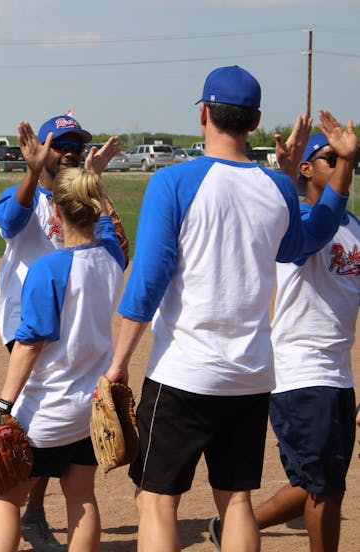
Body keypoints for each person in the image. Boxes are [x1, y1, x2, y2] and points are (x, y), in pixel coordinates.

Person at [102, 65, 353, 552]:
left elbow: (149, 279)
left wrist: (118, 364)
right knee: (235, 500)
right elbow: (310, 239)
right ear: (255, 121)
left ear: (203, 114)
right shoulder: (279, 187)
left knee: (155, 501)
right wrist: (342, 174)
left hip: (184, 372)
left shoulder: (173, 181)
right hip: (252, 375)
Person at [0, 114, 121, 551]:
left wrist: (1, 407)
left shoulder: (52, 266)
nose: (70, 151)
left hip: (46, 361)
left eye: (77, 145)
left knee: (10, 483)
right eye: (61, 144)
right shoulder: (105, 252)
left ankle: (22, 507)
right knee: (81, 490)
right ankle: (33, 511)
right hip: (42, 334)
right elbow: (10, 222)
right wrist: (37, 172)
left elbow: (32, 347)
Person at [210, 131, 358, 552]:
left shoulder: (354, 228)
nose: (345, 161)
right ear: (307, 168)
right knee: (323, 488)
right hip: (301, 372)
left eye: (349, 157)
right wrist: (289, 173)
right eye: (333, 157)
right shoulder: (298, 223)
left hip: (338, 376)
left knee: (323, 485)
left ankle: (237, 526)